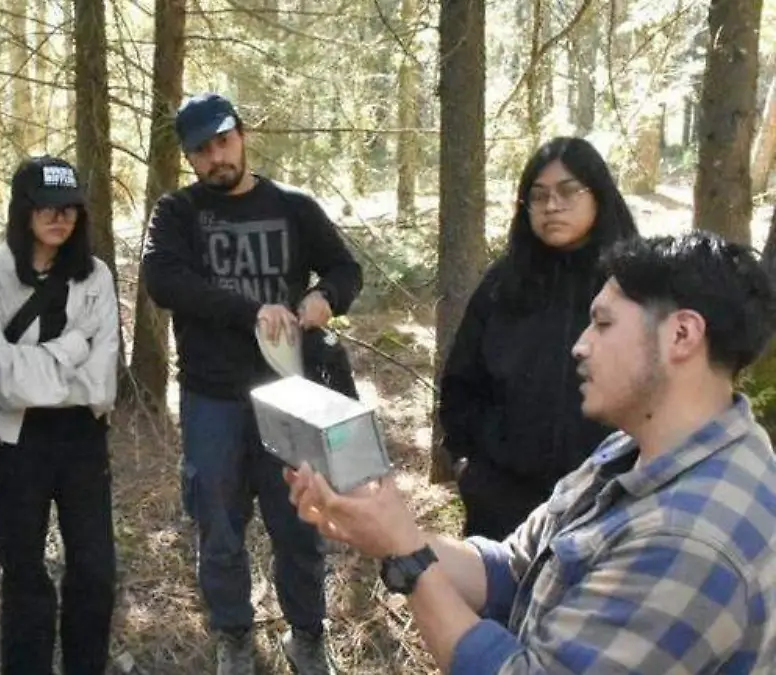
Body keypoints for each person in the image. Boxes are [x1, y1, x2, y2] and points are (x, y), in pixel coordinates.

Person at [288, 232, 776, 674]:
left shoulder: (688, 537)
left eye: (603, 324)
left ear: (682, 336)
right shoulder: (637, 450)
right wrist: (383, 527)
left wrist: (407, 558)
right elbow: (515, 568)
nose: (579, 346)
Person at [141, 92, 363, 675]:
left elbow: (345, 268)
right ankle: (234, 634)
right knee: (218, 522)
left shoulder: (292, 206)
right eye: (201, 151)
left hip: (290, 393)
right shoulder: (179, 213)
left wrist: (322, 296)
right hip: (211, 397)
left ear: (241, 134)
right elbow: (164, 281)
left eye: (222, 141)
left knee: (299, 522)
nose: (216, 157)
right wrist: (251, 311)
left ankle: (307, 635)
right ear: (189, 159)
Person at [439, 136, 639, 539]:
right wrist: (469, 467)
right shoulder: (503, 283)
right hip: (504, 501)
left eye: (568, 191)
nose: (552, 206)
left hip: (609, 499)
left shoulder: (636, 283)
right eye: (538, 195)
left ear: (598, 195)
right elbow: (462, 382)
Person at [0, 156, 119, 675]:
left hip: (83, 437)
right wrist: (73, 346)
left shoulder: (96, 276)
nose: (60, 217)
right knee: (25, 575)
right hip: (16, 441)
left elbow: (100, 380)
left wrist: (37, 371)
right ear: (23, 210)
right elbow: (1, 381)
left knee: (95, 571)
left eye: (70, 207)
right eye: (47, 206)